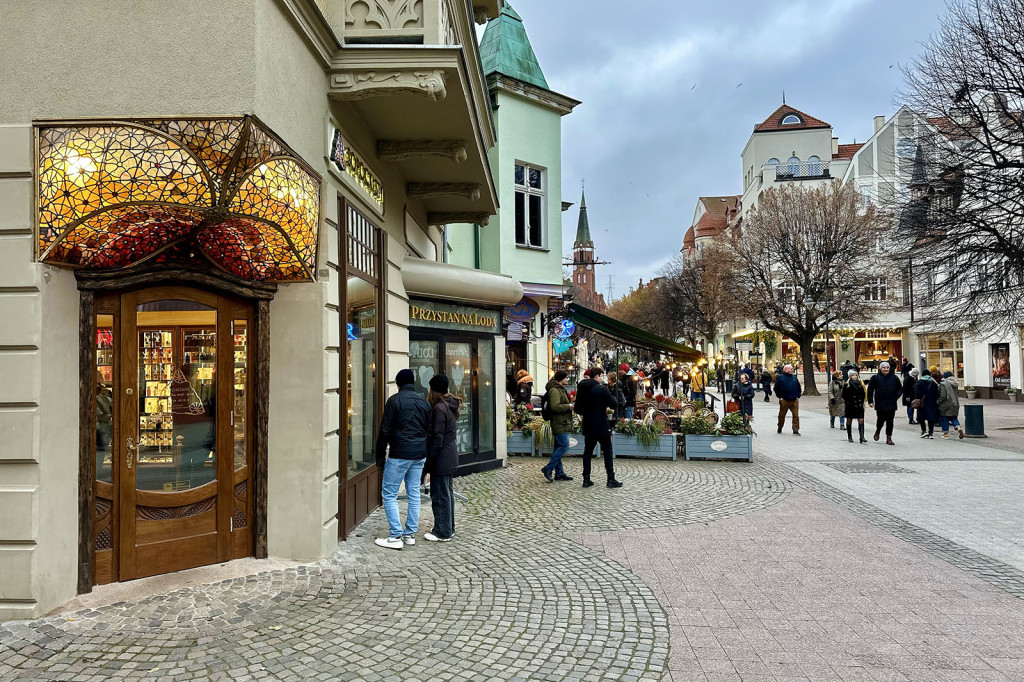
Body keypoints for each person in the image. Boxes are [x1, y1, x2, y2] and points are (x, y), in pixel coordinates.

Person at [374, 369, 432, 550]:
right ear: (413, 383)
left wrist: (380, 457)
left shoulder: (394, 401)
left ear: (398, 383)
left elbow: (384, 431)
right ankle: (410, 535)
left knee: (389, 493)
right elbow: (428, 431)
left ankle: (395, 535)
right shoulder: (424, 402)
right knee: (414, 492)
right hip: (419, 454)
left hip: (399, 453)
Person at [573, 366, 622, 489]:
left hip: (588, 424)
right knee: (607, 451)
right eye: (601, 376)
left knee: (588, 451)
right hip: (600, 424)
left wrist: (588, 413)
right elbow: (614, 404)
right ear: (597, 377)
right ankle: (610, 478)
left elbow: (577, 408)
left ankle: (586, 479)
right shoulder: (601, 389)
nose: (602, 378)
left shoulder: (582, 389)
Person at [424, 374, 459, 542]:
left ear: (433, 389)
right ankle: (449, 528)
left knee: (439, 495)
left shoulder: (439, 408)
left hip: (442, 457)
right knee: (447, 493)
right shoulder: (449, 405)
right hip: (449, 454)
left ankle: (442, 531)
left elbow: (437, 438)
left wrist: (429, 462)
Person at [867, 361, 903, 446]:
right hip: (880, 402)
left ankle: (889, 437)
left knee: (890, 421)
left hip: (891, 403)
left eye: (887, 368)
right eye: (884, 368)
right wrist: (870, 401)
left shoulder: (894, 378)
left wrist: (896, 397)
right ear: (880, 368)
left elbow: (900, 389)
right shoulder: (875, 378)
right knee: (881, 419)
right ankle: (878, 430)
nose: (886, 369)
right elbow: (870, 390)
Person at [773, 364, 801, 435]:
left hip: (794, 399)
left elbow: (798, 386)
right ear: (786, 370)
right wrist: (780, 396)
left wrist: (798, 395)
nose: (792, 370)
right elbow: (776, 388)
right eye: (791, 369)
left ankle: (795, 430)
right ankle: (780, 427)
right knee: (782, 415)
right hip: (784, 400)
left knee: (795, 415)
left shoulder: (794, 377)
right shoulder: (780, 377)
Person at [937, 371, 965, 440]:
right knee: (953, 417)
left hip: (946, 404)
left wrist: (938, 402)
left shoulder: (943, 384)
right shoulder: (955, 383)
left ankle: (945, 434)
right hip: (955, 403)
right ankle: (958, 428)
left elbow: (943, 396)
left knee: (945, 418)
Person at [914, 369, 941, 439]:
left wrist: (917, 399)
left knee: (921, 417)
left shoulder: (919, 382)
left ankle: (924, 431)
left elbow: (917, 393)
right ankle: (930, 433)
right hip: (931, 403)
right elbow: (937, 393)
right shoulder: (933, 383)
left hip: (922, 403)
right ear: (929, 375)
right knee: (930, 418)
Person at [843, 371, 867, 443]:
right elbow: (843, 395)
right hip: (850, 405)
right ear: (850, 376)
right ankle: (849, 436)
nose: (855, 377)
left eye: (856, 375)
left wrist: (863, 401)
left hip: (859, 405)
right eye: (853, 375)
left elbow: (863, 393)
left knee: (861, 420)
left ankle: (862, 436)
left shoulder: (860, 384)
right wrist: (848, 401)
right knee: (849, 420)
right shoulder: (847, 385)